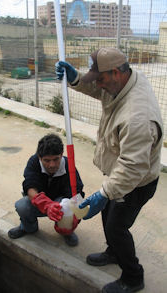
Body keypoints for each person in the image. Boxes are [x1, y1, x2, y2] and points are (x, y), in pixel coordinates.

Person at [55, 47, 163, 293]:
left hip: (136, 182)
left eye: (101, 79)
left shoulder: (138, 116)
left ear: (116, 72)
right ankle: (113, 252)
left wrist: (103, 194)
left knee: (116, 226)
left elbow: (132, 168)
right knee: (107, 214)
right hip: (121, 173)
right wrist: (76, 79)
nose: (99, 85)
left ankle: (133, 277)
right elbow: (99, 89)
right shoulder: (123, 82)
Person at [8, 133, 85, 247]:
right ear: (39, 157)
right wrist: (47, 205)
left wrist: (74, 218)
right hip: (41, 203)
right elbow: (30, 188)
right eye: (47, 160)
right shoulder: (34, 162)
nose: (52, 165)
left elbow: (77, 196)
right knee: (22, 206)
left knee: (69, 207)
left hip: (60, 204)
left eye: (56, 159)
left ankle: (66, 231)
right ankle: (28, 228)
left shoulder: (69, 165)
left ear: (61, 155)